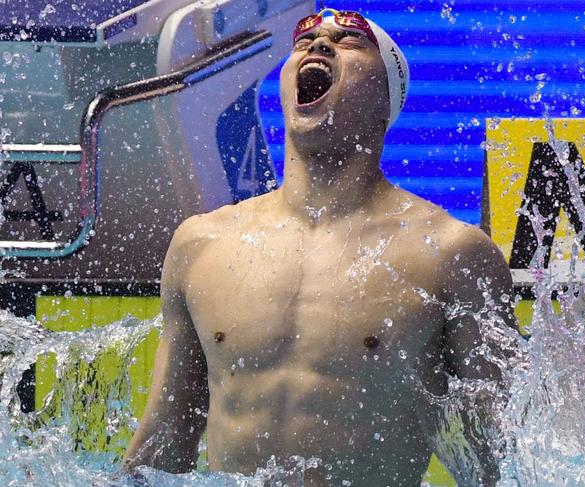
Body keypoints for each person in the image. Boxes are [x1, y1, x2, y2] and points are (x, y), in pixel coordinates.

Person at [124, 8, 517, 486]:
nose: (319, 45)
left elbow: (500, 462)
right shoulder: (202, 244)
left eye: (350, 39)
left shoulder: (451, 254)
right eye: (304, 40)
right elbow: (164, 442)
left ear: (388, 94)